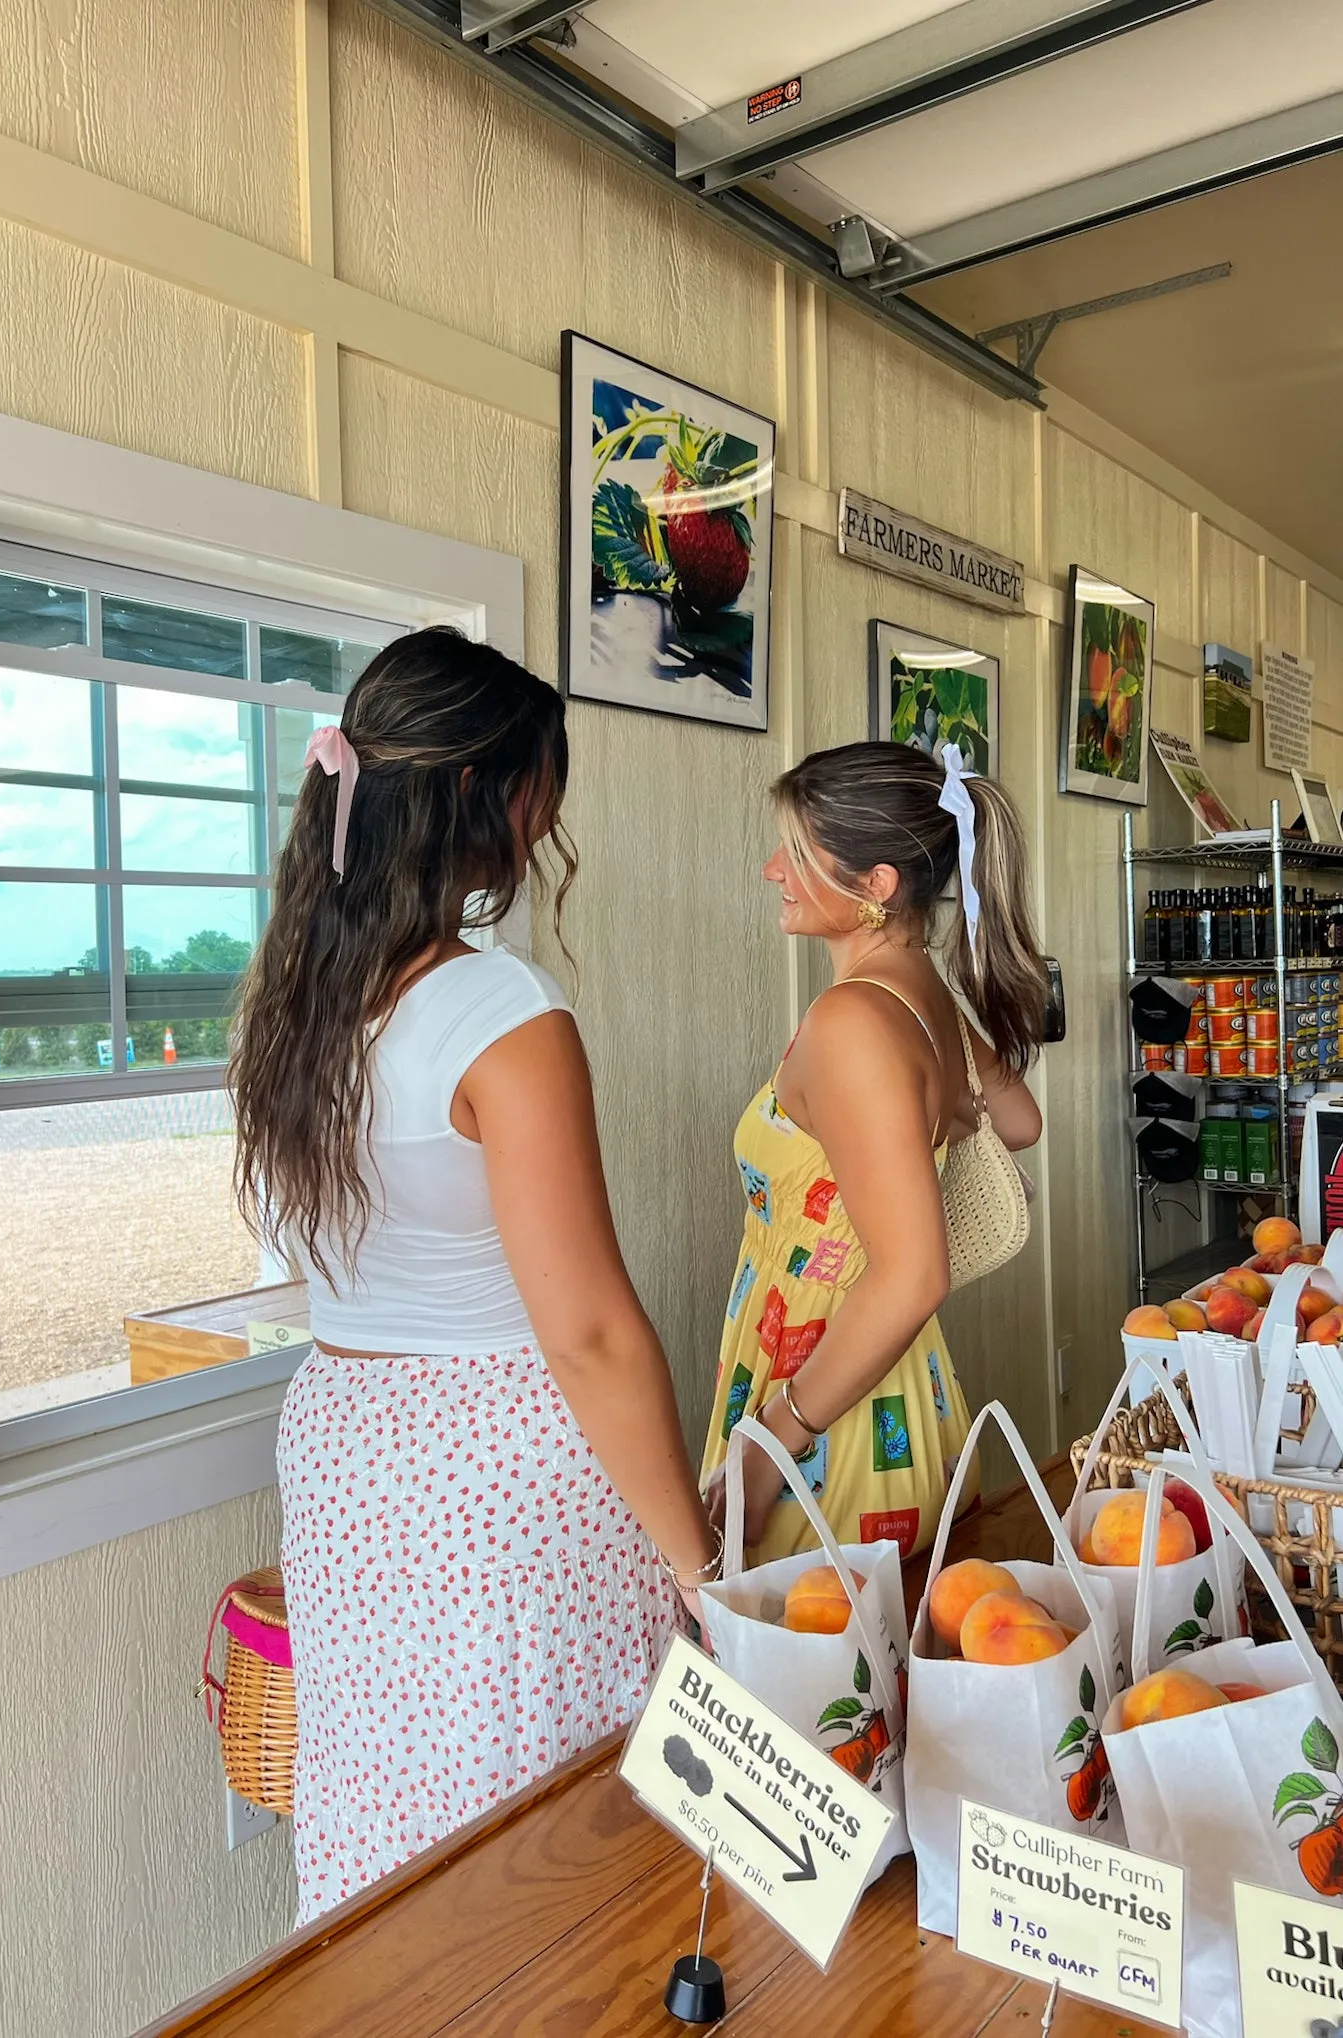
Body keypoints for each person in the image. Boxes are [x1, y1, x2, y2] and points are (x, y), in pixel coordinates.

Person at [231, 628, 719, 1925]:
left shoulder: (294, 1004)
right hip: (500, 1470)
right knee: (544, 1826)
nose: (544, 819)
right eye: (538, 788)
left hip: (345, 1448)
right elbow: (589, 1333)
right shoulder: (500, 1013)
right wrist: (694, 1559)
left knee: (389, 1811)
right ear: (481, 795)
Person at [700, 740, 1046, 1564]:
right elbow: (1019, 1120)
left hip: (826, 1410)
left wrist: (770, 1445)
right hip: (890, 1384)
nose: (770, 869)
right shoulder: (920, 989)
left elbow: (913, 1274)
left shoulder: (854, 1020)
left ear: (875, 885)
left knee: (808, 1679)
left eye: (795, 851)